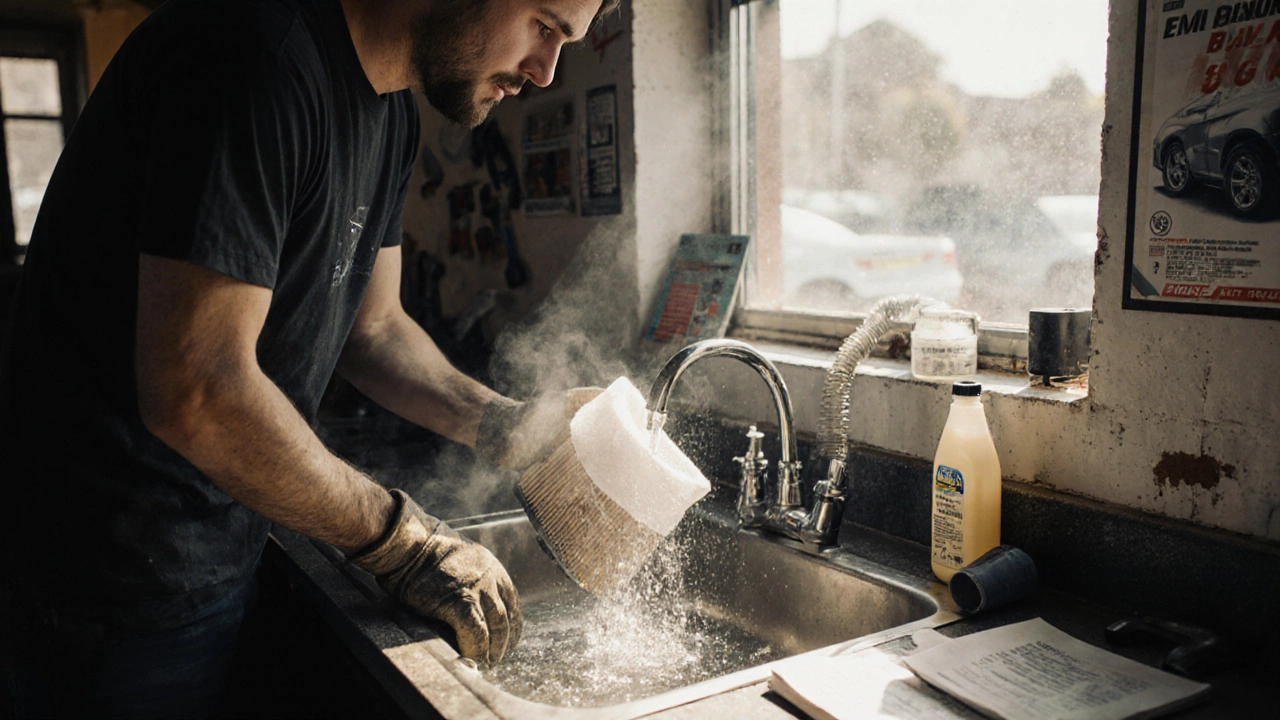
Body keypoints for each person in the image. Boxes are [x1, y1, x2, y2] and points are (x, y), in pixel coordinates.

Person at [0, 0, 614, 716]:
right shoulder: (253, 55)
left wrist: (508, 424)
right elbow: (194, 389)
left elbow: (375, 329)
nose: (546, 71)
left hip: (220, 543)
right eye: (544, 25)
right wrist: (405, 541)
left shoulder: (391, 115)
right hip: (101, 580)